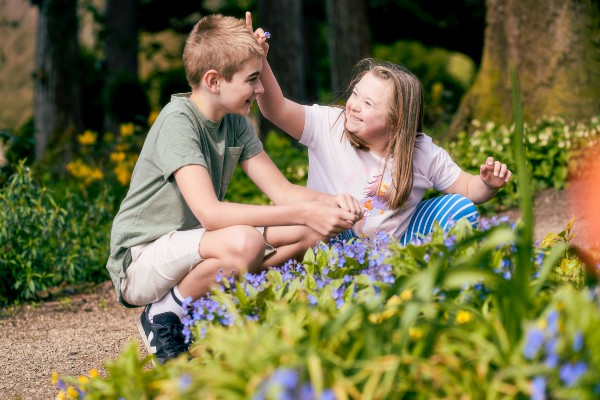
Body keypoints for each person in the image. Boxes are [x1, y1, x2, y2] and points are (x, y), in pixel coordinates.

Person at [105, 14, 362, 365]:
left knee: (310, 232)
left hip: (194, 246)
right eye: (252, 80)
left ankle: (226, 309)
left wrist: (336, 204)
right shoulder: (178, 122)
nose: (260, 90)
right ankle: (163, 315)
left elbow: (283, 192)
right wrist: (305, 211)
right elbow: (211, 213)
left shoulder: (235, 123)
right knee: (245, 242)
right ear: (213, 80)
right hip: (141, 259)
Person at [253, 18, 511, 244]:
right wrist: (261, 61)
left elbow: (466, 187)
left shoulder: (419, 151)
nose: (353, 106)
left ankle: (414, 268)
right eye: (355, 94)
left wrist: (487, 184)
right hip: (332, 237)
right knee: (311, 221)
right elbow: (275, 110)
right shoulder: (329, 124)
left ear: (396, 121)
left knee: (460, 207)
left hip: (395, 246)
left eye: (368, 104)